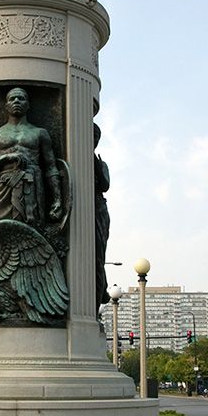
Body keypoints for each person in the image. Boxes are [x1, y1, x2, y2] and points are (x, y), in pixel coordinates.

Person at [0, 87, 62, 233]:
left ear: (28, 105)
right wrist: (5, 158)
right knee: (3, 230)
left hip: (32, 184)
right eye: (12, 98)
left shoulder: (40, 133)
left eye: (21, 98)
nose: (16, 101)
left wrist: (57, 198)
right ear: (6, 105)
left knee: (31, 228)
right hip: (4, 187)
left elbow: (51, 167)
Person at [93, 123, 111, 309]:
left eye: (96, 136)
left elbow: (105, 184)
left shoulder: (100, 163)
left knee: (98, 258)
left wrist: (98, 167)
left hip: (97, 210)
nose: (93, 140)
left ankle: (95, 305)